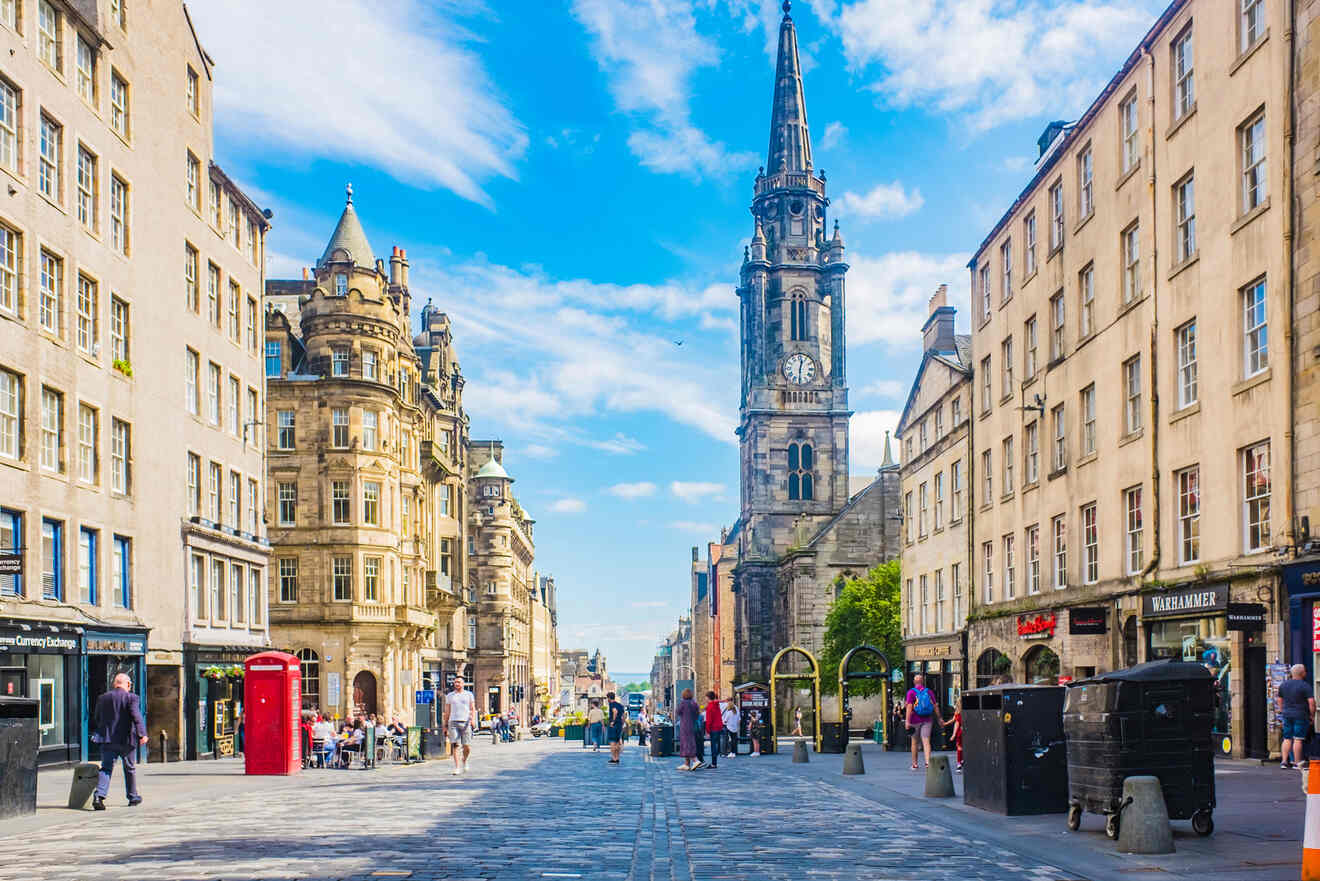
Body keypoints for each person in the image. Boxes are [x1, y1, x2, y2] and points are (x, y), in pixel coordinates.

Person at [91, 673, 148, 810]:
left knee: (105, 768)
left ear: (115, 684)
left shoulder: (103, 698)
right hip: (127, 740)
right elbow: (136, 715)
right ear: (127, 684)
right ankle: (133, 797)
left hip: (108, 739)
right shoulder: (131, 697)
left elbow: (97, 717)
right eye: (130, 685)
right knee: (129, 768)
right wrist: (142, 734)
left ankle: (99, 796)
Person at [1278, 663, 1316, 769]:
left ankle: (1284, 762)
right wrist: (1312, 715)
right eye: (1304, 671)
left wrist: (1282, 711)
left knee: (1287, 738)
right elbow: (1311, 702)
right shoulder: (1305, 686)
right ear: (1302, 673)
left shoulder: (1284, 685)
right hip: (1300, 714)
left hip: (1287, 714)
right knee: (1298, 739)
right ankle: (1296, 762)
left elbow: (1279, 700)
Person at [906, 673, 945, 770]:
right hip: (927, 719)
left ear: (914, 682)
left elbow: (909, 707)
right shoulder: (929, 692)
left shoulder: (911, 692)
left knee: (914, 742)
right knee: (926, 741)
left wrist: (907, 721)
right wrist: (939, 718)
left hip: (914, 720)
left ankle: (915, 764)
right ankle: (928, 763)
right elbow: (935, 705)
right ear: (922, 682)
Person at [443, 676, 477, 775]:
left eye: (459, 682)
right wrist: (445, 724)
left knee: (467, 746)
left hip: (466, 722)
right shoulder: (450, 696)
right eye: (455, 682)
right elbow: (447, 710)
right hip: (453, 722)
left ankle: (464, 760)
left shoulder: (469, 695)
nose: (457, 684)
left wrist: (473, 720)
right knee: (455, 745)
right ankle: (457, 767)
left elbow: (472, 708)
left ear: (463, 684)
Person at [675, 688, 700, 771]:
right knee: (689, 742)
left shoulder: (683, 703)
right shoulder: (694, 703)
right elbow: (697, 714)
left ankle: (695, 760)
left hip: (685, 726)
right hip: (692, 726)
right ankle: (686, 764)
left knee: (687, 743)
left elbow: (678, 711)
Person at [702, 691, 723, 769]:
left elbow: (709, 720)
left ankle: (714, 763)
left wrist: (707, 731)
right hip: (718, 727)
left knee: (713, 746)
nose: (705, 698)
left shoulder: (710, 707)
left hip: (713, 728)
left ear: (708, 697)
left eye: (705, 697)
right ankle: (715, 760)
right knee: (716, 744)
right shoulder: (716, 705)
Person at [942, 698, 964, 772]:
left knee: (959, 747)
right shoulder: (965, 711)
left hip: (959, 732)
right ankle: (962, 760)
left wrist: (953, 734)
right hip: (965, 731)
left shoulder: (957, 712)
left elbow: (955, 723)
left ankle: (959, 763)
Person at [605, 691, 627, 764]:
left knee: (612, 742)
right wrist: (622, 722)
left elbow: (615, 711)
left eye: (607, 698)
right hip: (619, 725)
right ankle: (617, 758)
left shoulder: (612, 704)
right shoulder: (620, 705)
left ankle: (614, 758)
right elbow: (624, 715)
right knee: (617, 742)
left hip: (613, 725)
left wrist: (613, 722)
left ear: (609, 698)